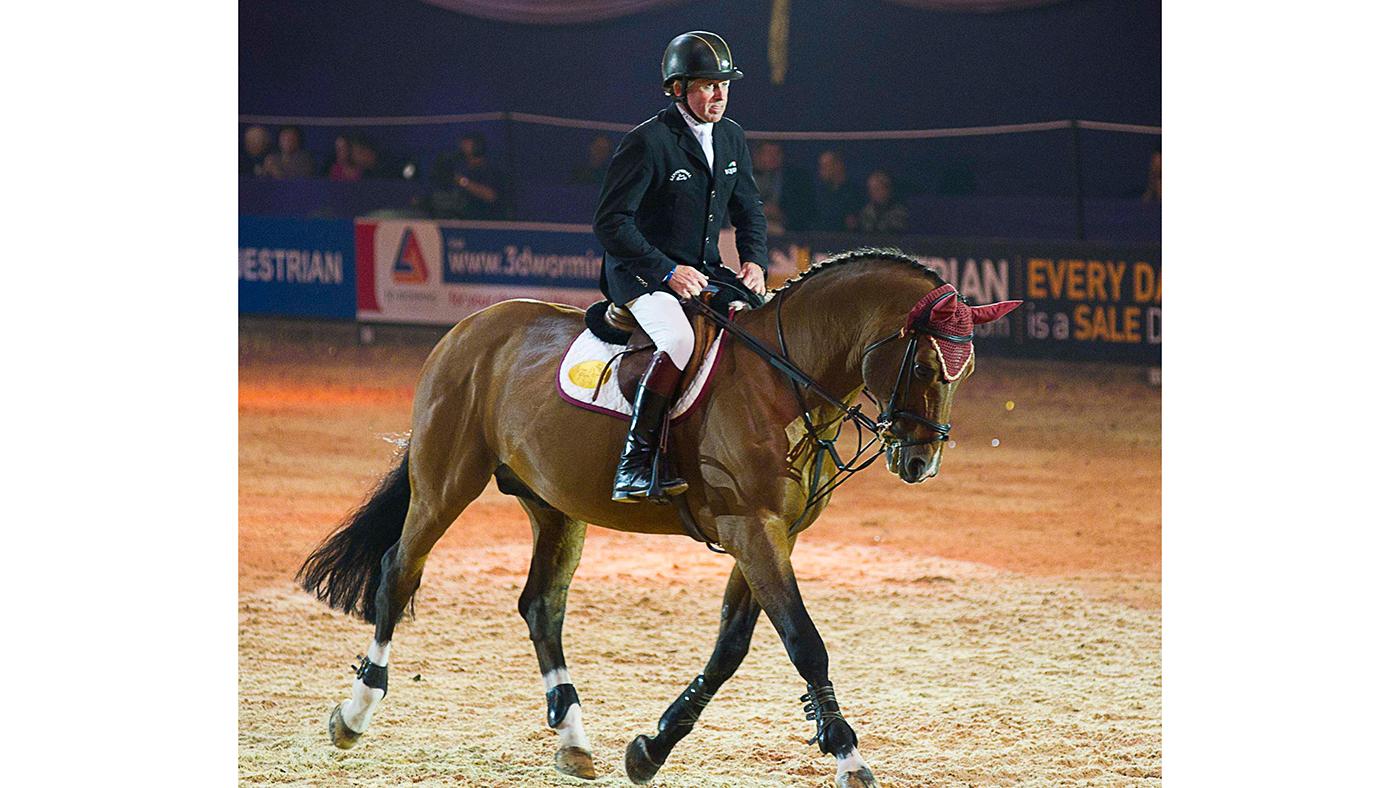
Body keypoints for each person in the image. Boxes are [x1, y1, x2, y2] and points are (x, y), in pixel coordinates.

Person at [594, 30, 768, 503]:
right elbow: (610, 223)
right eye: (708, 85)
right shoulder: (647, 142)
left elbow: (749, 209)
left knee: (763, 319)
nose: (719, 95)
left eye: (724, 85)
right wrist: (665, 271)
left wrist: (754, 260)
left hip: (703, 269)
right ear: (678, 89)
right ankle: (636, 459)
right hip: (641, 273)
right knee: (678, 338)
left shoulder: (731, 136)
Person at [430, 132, 507, 219]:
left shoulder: (491, 170)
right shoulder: (463, 168)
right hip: (467, 222)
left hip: (490, 222)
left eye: (466, 146)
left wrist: (462, 181)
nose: (462, 149)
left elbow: (490, 195)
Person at [752, 141, 814, 233]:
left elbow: (804, 210)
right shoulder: (749, 176)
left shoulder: (795, 179)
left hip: (784, 227)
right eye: (768, 154)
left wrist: (782, 215)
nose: (773, 158)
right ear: (759, 156)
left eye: (777, 153)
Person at [811, 150, 863, 232]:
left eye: (825, 166)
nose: (821, 170)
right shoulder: (821, 192)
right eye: (820, 167)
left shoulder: (854, 192)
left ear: (838, 166)